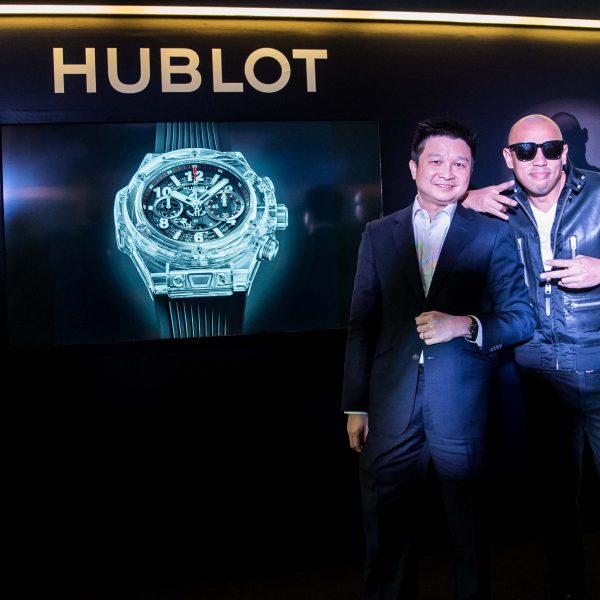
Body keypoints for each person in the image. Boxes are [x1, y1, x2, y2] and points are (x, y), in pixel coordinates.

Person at [343, 117, 534, 600]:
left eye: (460, 164)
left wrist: (464, 324)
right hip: (390, 407)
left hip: (462, 408)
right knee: (387, 534)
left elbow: (521, 319)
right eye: (436, 161)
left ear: (471, 171)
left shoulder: (492, 234)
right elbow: (363, 322)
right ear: (413, 168)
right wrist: (356, 405)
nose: (448, 172)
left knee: (469, 535)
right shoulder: (378, 234)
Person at [464, 114, 600, 600]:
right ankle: (567, 588)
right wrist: (464, 197)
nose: (538, 160)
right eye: (525, 150)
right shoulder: (498, 205)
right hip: (540, 372)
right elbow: (421, 211)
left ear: (565, 152)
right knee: (556, 500)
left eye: (549, 149)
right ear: (509, 157)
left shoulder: (598, 192)